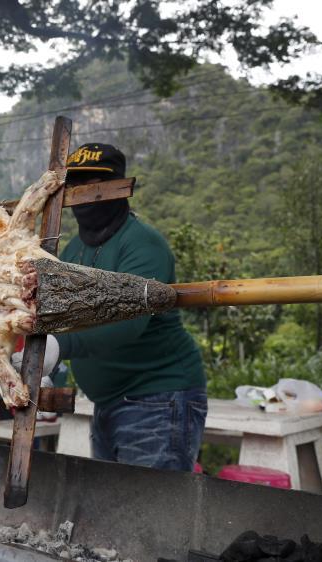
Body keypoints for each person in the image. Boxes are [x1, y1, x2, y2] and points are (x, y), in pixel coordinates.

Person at [55, 143, 206, 472]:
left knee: (147, 511)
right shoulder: (72, 250)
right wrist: (47, 368)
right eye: (76, 185)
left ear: (117, 186)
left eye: (94, 184)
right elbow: (54, 313)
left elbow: (125, 320)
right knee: (118, 507)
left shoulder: (142, 244)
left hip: (157, 399)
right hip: (106, 403)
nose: (84, 193)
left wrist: (58, 346)